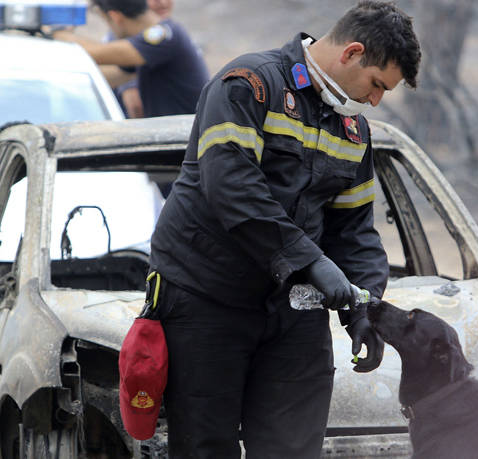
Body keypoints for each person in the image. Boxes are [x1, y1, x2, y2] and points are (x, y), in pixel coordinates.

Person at [147, 1, 421, 457]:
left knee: (292, 449)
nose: (375, 101)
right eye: (376, 86)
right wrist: (310, 261)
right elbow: (232, 186)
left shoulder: (354, 131)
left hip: (294, 311)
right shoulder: (250, 85)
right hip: (205, 300)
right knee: (204, 447)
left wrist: (363, 310)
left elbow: (354, 232)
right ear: (352, 53)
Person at [51, 0, 208, 118]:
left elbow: (96, 53)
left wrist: (54, 34)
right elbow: (112, 76)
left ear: (116, 17)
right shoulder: (155, 41)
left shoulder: (164, 36)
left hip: (181, 143)